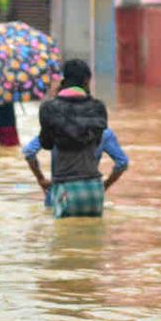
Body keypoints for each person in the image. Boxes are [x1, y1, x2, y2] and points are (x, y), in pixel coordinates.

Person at [36, 59, 109, 218]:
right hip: (94, 188)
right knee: (93, 241)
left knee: (65, 241)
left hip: (65, 187)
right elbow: (96, 142)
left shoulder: (49, 108)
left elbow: (46, 143)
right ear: (86, 81)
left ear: (64, 80)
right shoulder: (98, 107)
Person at [22, 126, 128, 206]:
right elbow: (122, 163)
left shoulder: (53, 129)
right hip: (91, 195)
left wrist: (40, 179)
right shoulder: (104, 132)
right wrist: (104, 186)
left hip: (60, 191)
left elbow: (29, 151)